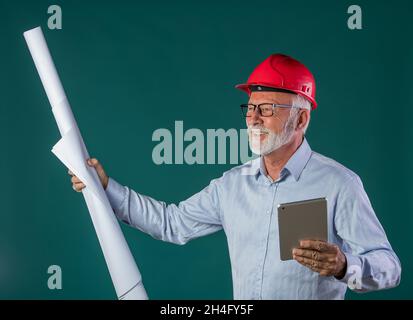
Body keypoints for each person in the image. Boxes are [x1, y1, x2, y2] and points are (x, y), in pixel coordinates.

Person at [70, 54, 401, 299]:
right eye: (250, 108)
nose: (253, 118)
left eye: (267, 108)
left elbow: (389, 267)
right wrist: (105, 188)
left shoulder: (339, 184)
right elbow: (172, 224)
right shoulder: (231, 185)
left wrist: (345, 266)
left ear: (300, 121)